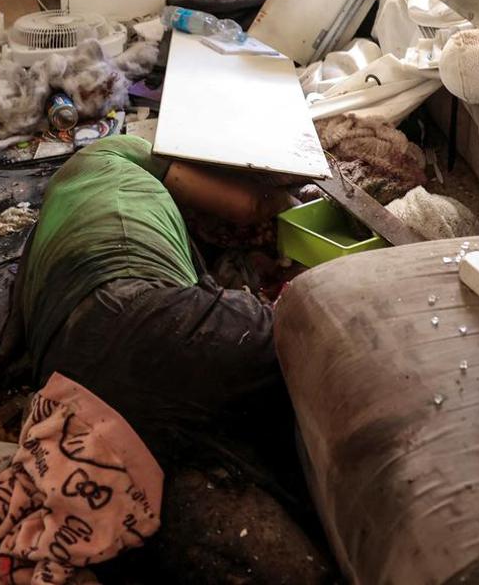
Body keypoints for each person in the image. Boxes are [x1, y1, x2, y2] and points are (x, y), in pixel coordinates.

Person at [15, 133, 295, 472]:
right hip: (134, 311)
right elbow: (248, 205)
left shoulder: (65, 198)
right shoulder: (121, 148)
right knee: (301, 344)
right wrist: (291, 200)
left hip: (61, 377)